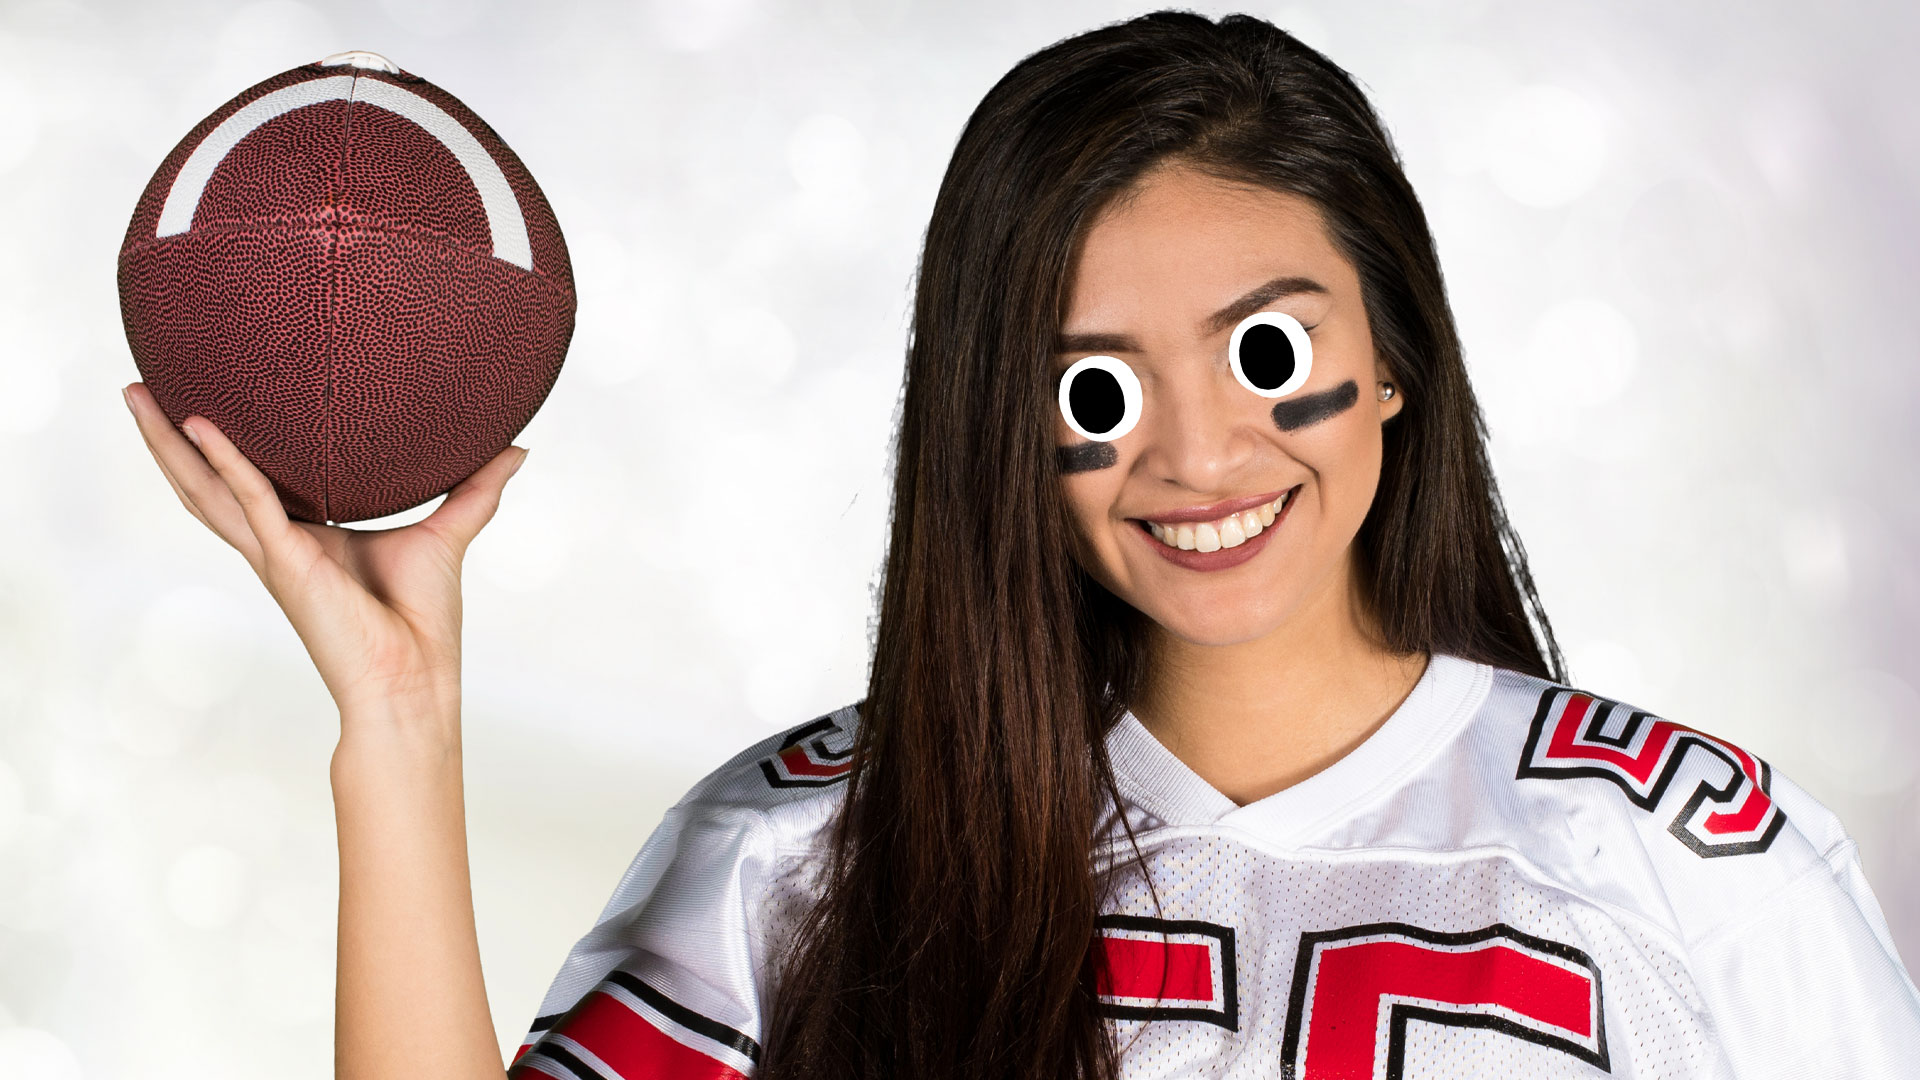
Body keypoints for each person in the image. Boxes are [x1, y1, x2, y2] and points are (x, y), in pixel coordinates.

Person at [124, 10, 1920, 1079]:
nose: (1196, 450)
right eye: (1091, 391)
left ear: (1397, 363)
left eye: (1268, 353)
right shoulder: (806, 852)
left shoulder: (1695, 864)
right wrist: (399, 717)